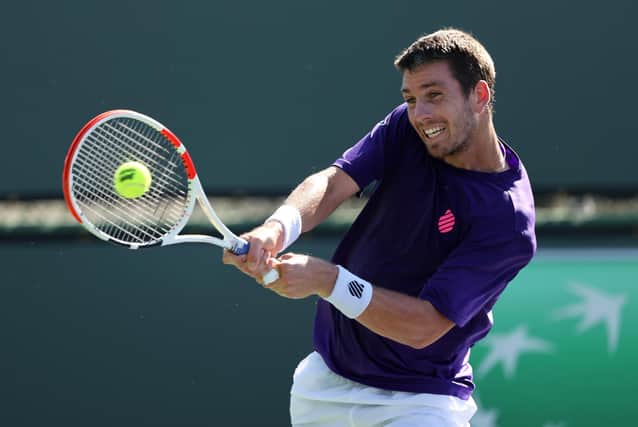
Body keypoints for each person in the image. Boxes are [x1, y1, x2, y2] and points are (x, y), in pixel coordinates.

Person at [223, 27, 536, 427]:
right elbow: (334, 182)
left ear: (479, 96)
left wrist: (327, 280)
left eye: (434, 96)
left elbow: (424, 326)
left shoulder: (507, 220)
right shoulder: (408, 128)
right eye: (410, 99)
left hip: (421, 403)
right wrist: (276, 229)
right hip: (323, 386)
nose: (420, 113)